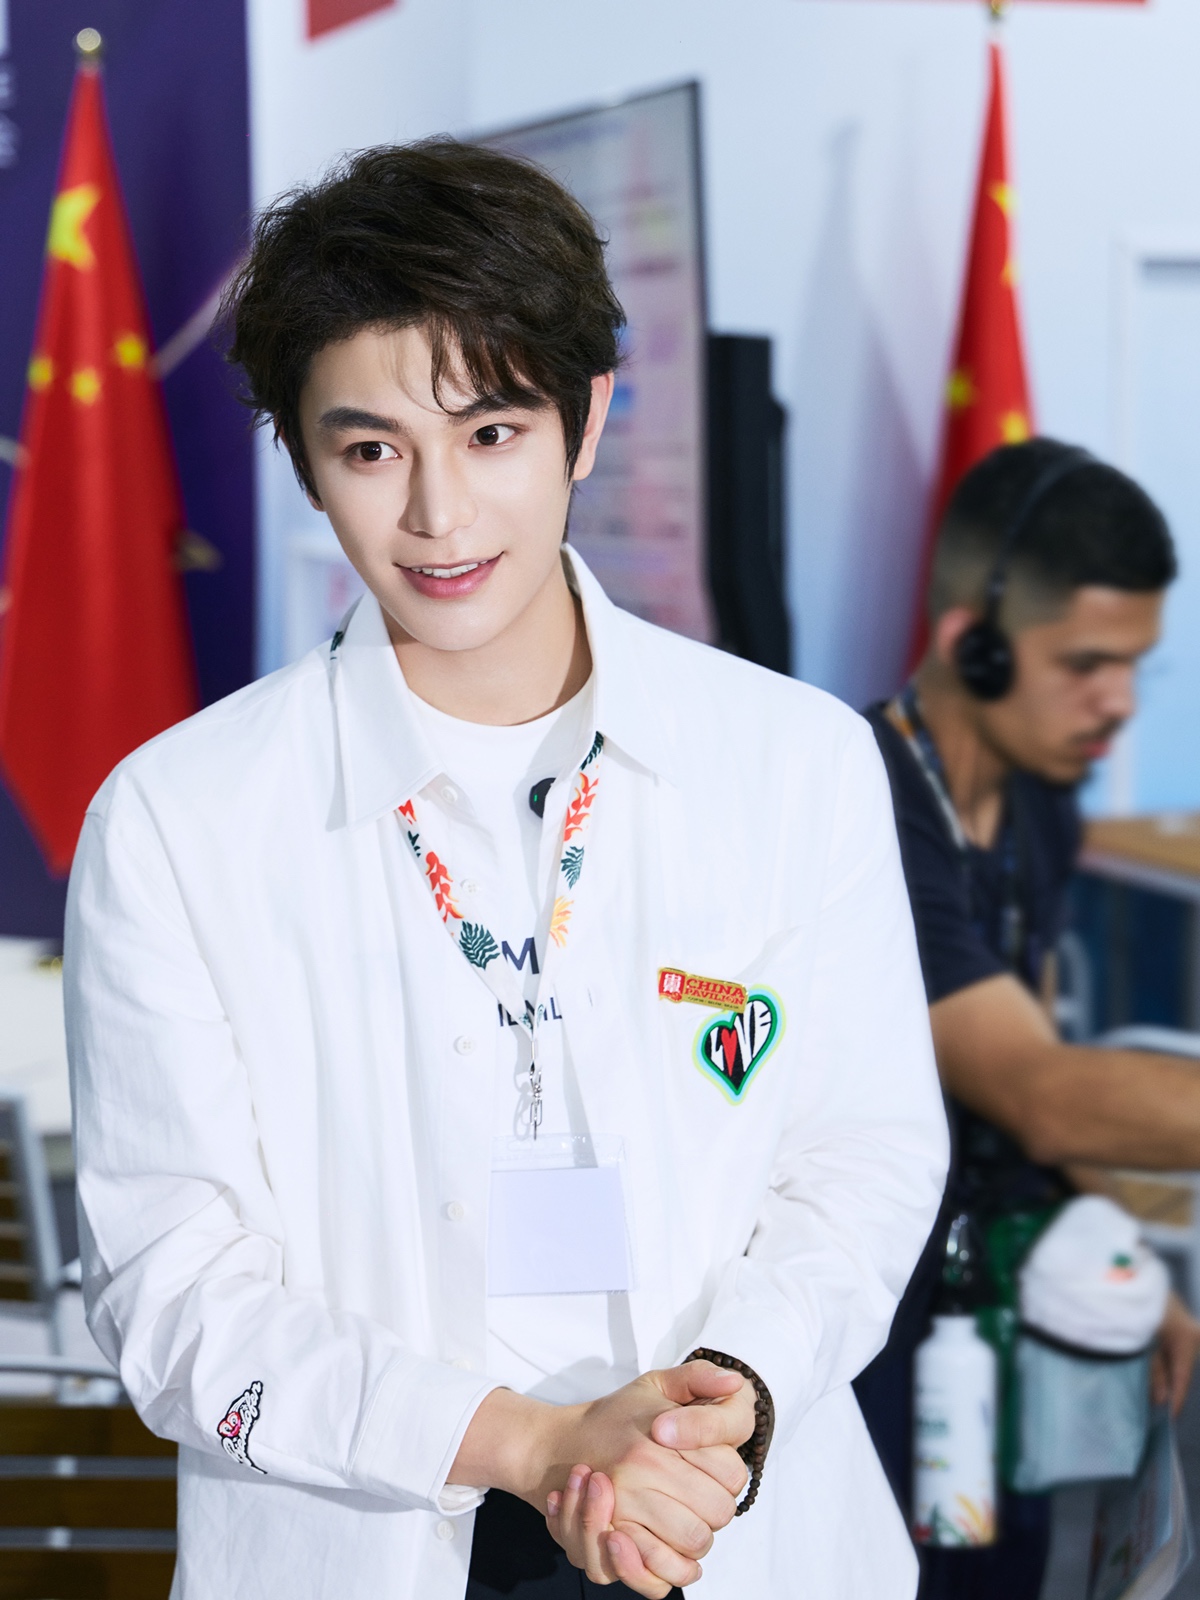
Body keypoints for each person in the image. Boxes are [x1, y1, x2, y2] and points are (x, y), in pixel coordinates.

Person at [64, 141, 948, 1600]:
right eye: (371, 450)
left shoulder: (795, 761)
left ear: (585, 421)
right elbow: (175, 1297)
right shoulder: (181, 820)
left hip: (733, 1519)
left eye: (490, 433)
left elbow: (864, 1159)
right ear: (305, 461)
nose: (440, 515)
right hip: (367, 1537)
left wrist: (726, 1397)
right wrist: (533, 1446)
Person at [854, 437, 1200, 1600]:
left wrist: (1118, 1242)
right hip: (878, 1318)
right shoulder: (865, 802)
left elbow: (1033, 1054)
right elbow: (1042, 1094)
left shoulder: (1040, 802)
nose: (1121, 702)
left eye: (1134, 664)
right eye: (1088, 663)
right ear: (976, 644)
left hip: (995, 1287)